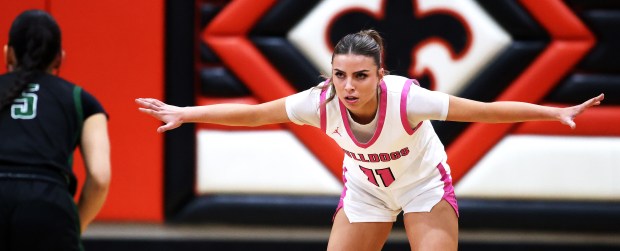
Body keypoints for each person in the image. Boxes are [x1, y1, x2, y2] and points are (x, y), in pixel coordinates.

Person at [135, 30, 604, 250]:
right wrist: (185, 113)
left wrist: (553, 110)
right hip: (366, 191)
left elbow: (483, 111)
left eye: (360, 75)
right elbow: (255, 114)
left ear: (381, 74)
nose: (349, 85)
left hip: (423, 187)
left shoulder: (407, 99)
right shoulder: (319, 102)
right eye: (340, 75)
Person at [0, 9, 111, 250]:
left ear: (8, 53)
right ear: (60, 58)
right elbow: (100, 178)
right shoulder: (82, 99)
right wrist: (74, 224)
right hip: (48, 206)